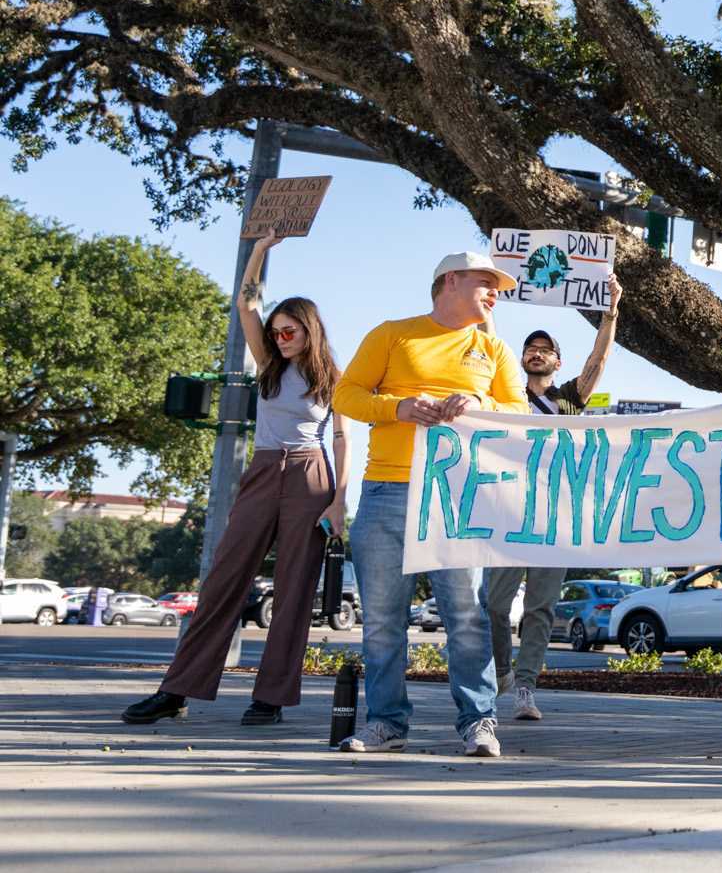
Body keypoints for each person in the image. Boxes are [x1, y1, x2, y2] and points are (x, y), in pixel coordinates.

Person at [123, 237, 348, 727]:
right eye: (277, 331)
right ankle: (176, 690)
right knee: (226, 576)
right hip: (265, 469)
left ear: (310, 331)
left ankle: (269, 699)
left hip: (312, 474)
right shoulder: (267, 366)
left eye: (290, 331)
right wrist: (262, 247)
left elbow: (342, 437)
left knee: (294, 588)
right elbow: (247, 302)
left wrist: (338, 502)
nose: (282, 337)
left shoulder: (332, 376)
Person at [333, 250, 527, 756]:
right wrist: (396, 407)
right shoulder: (393, 333)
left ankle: (479, 723)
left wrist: (480, 404)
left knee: (465, 615)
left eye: (498, 287)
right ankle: (386, 724)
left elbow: (519, 411)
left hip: (458, 497)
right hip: (386, 491)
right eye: (486, 283)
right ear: (450, 281)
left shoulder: (495, 349)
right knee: (380, 619)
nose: (494, 293)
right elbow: (346, 395)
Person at [485, 277, 622, 723]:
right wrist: (485, 304)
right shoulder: (506, 396)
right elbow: (485, 343)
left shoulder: (566, 401)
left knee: (540, 609)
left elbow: (598, 362)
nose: (537, 352)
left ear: (557, 362)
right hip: (508, 514)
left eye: (546, 349)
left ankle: (525, 686)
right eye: (531, 347)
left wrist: (610, 314)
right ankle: (503, 671)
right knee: (493, 604)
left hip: (552, 518)